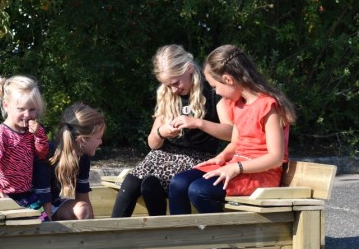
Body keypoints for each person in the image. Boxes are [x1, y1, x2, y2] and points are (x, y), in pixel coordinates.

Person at [168, 44, 297, 214]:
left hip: (262, 174)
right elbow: (236, 143)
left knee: (200, 190)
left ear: (228, 80)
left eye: (215, 87)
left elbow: (275, 158)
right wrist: (221, 157)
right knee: (179, 183)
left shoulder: (268, 106)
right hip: (237, 166)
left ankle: (218, 236)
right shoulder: (238, 104)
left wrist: (237, 168)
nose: (217, 93)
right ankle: (183, 237)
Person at [110, 44, 233, 217]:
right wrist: (161, 132)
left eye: (176, 83)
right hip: (162, 155)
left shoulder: (212, 91)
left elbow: (231, 132)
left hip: (195, 158)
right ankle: (114, 235)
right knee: (132, 183)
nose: (174, 89)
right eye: (168, 85)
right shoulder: (167, 94)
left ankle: (166, 234)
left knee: (152, 185)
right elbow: (152, 144)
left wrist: (198, 123)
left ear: (189, 69)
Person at [0, 75, 52, 220]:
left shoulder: (30, 132)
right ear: (6, 105)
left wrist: (39, 135)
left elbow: (42, 154)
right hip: (5, 194)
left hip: (26, 192)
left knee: (43, 222)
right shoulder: (1, 134)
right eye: (21, 109)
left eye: (32, 110)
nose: (27, 115)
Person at [35, 102, 106, 220]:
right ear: (83, 140)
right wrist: (48, 233)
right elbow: (43, 198)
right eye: (98, 138)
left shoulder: (83, 158)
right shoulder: (47, 155)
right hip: (33, 206)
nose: (101, 142)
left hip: (52, 204)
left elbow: (83, 197)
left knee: (83, 209)